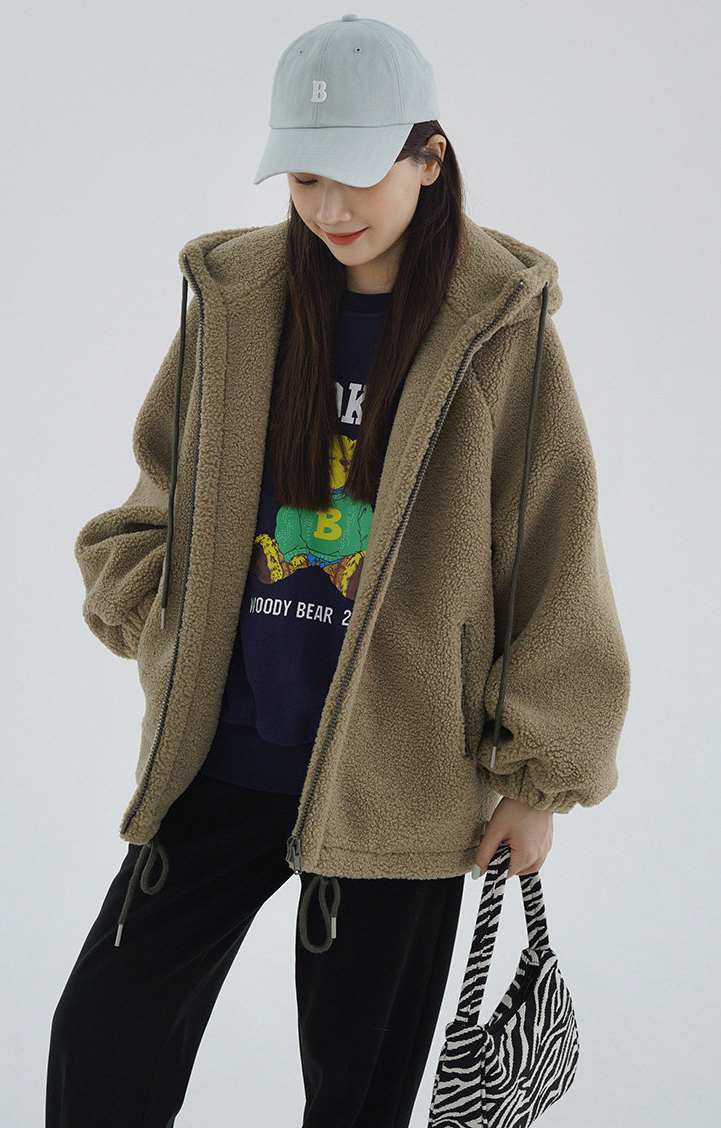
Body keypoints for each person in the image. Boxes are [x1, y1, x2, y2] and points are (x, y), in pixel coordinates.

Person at [46, 14, 631, 1128]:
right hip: (223, 753)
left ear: (429, 157)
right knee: (101, 1040)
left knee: (358, 1100)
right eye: (307, 176)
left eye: (358, 172)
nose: (330, 208)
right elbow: (154, 505)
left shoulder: (498, 332)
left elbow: (557, 556)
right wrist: (160, 619)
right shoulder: (239, 305)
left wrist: (536, 780)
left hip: (401, 781)